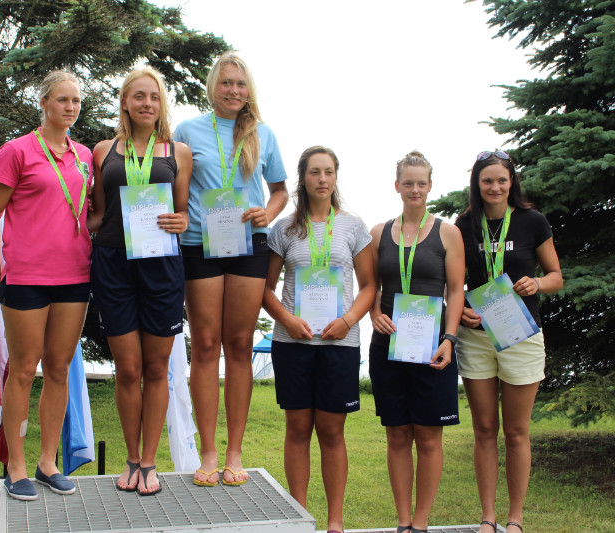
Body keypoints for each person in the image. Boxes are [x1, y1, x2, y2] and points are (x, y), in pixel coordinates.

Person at [174, 52, 289, 487]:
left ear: (248, 89)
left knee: (239, 345)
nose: (233, 90)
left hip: (247, 244)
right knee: (205, 345)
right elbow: (174, 184)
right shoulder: (188, 131)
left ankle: (234, 453)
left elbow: (280, 191)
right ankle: (207, 452)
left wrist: (268, 213)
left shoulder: (263, 133)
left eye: (240, 84)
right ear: (213, 86)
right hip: (199, 245)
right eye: (226, 83)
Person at [0, 70, 92, 501]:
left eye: (76, 100)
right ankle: (17, 466)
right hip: (26, 277)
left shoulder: (84, 155)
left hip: (75, 277)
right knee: (24, 370)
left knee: (59, 370)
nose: (70, 107)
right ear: (43, 103)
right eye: (62, 100)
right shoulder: (16, 151)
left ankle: (48, 463)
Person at [87, 67, 192, 496]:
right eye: (139, 96)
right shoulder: (102, 150)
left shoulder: (178, 152)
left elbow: (182, 211)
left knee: (155, 368)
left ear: (161, 104)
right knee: (128, 369)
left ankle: (150, 462)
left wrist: (182, 221)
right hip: (114, 264)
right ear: (125, 103)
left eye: (154, 96)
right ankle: (132, 458)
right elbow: (97, 212)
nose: (147, 103)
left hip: (161, 264)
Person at [263, 146, 375, 533]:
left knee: (331, 432)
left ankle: (335, 521)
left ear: (336, 176)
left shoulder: (353, 226)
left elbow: (369, 286)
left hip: (339, 344)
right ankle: (299, 517)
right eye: (315, 172)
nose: (322, 179)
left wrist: (348, 320)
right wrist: (287, 319)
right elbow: (265, 289)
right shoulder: (283, 229)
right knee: (297, 430)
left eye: (328, 171)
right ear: (303, 178)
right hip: (292, 343)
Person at [454, 151, 562, 533]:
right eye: (487, 181)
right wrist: (459, 310)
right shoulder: (463, 225)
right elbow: (454, 283)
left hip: (520, 334)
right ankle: (488, 517)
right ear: (477, 184)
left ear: (511, 181)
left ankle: (515, 518)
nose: (495, 187)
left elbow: (556, 276)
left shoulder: (533, 221)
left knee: (516, 432)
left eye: (501, 180)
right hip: (477, 337)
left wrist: (538, 283)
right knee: (484, 430)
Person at [368, 151, 465, 533]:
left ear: (430, 186)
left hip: (432, 347)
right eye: (407, 183)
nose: (414, 189)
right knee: (396, 435)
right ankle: (403, 521)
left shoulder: (447, 233)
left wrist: (450, 338)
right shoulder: (379, 233)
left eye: (421, 183)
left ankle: (421, 523)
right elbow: (370, 286)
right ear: (397, 186)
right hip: (388, 345)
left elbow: (455, 290)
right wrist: (373, 312)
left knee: (427, 436)